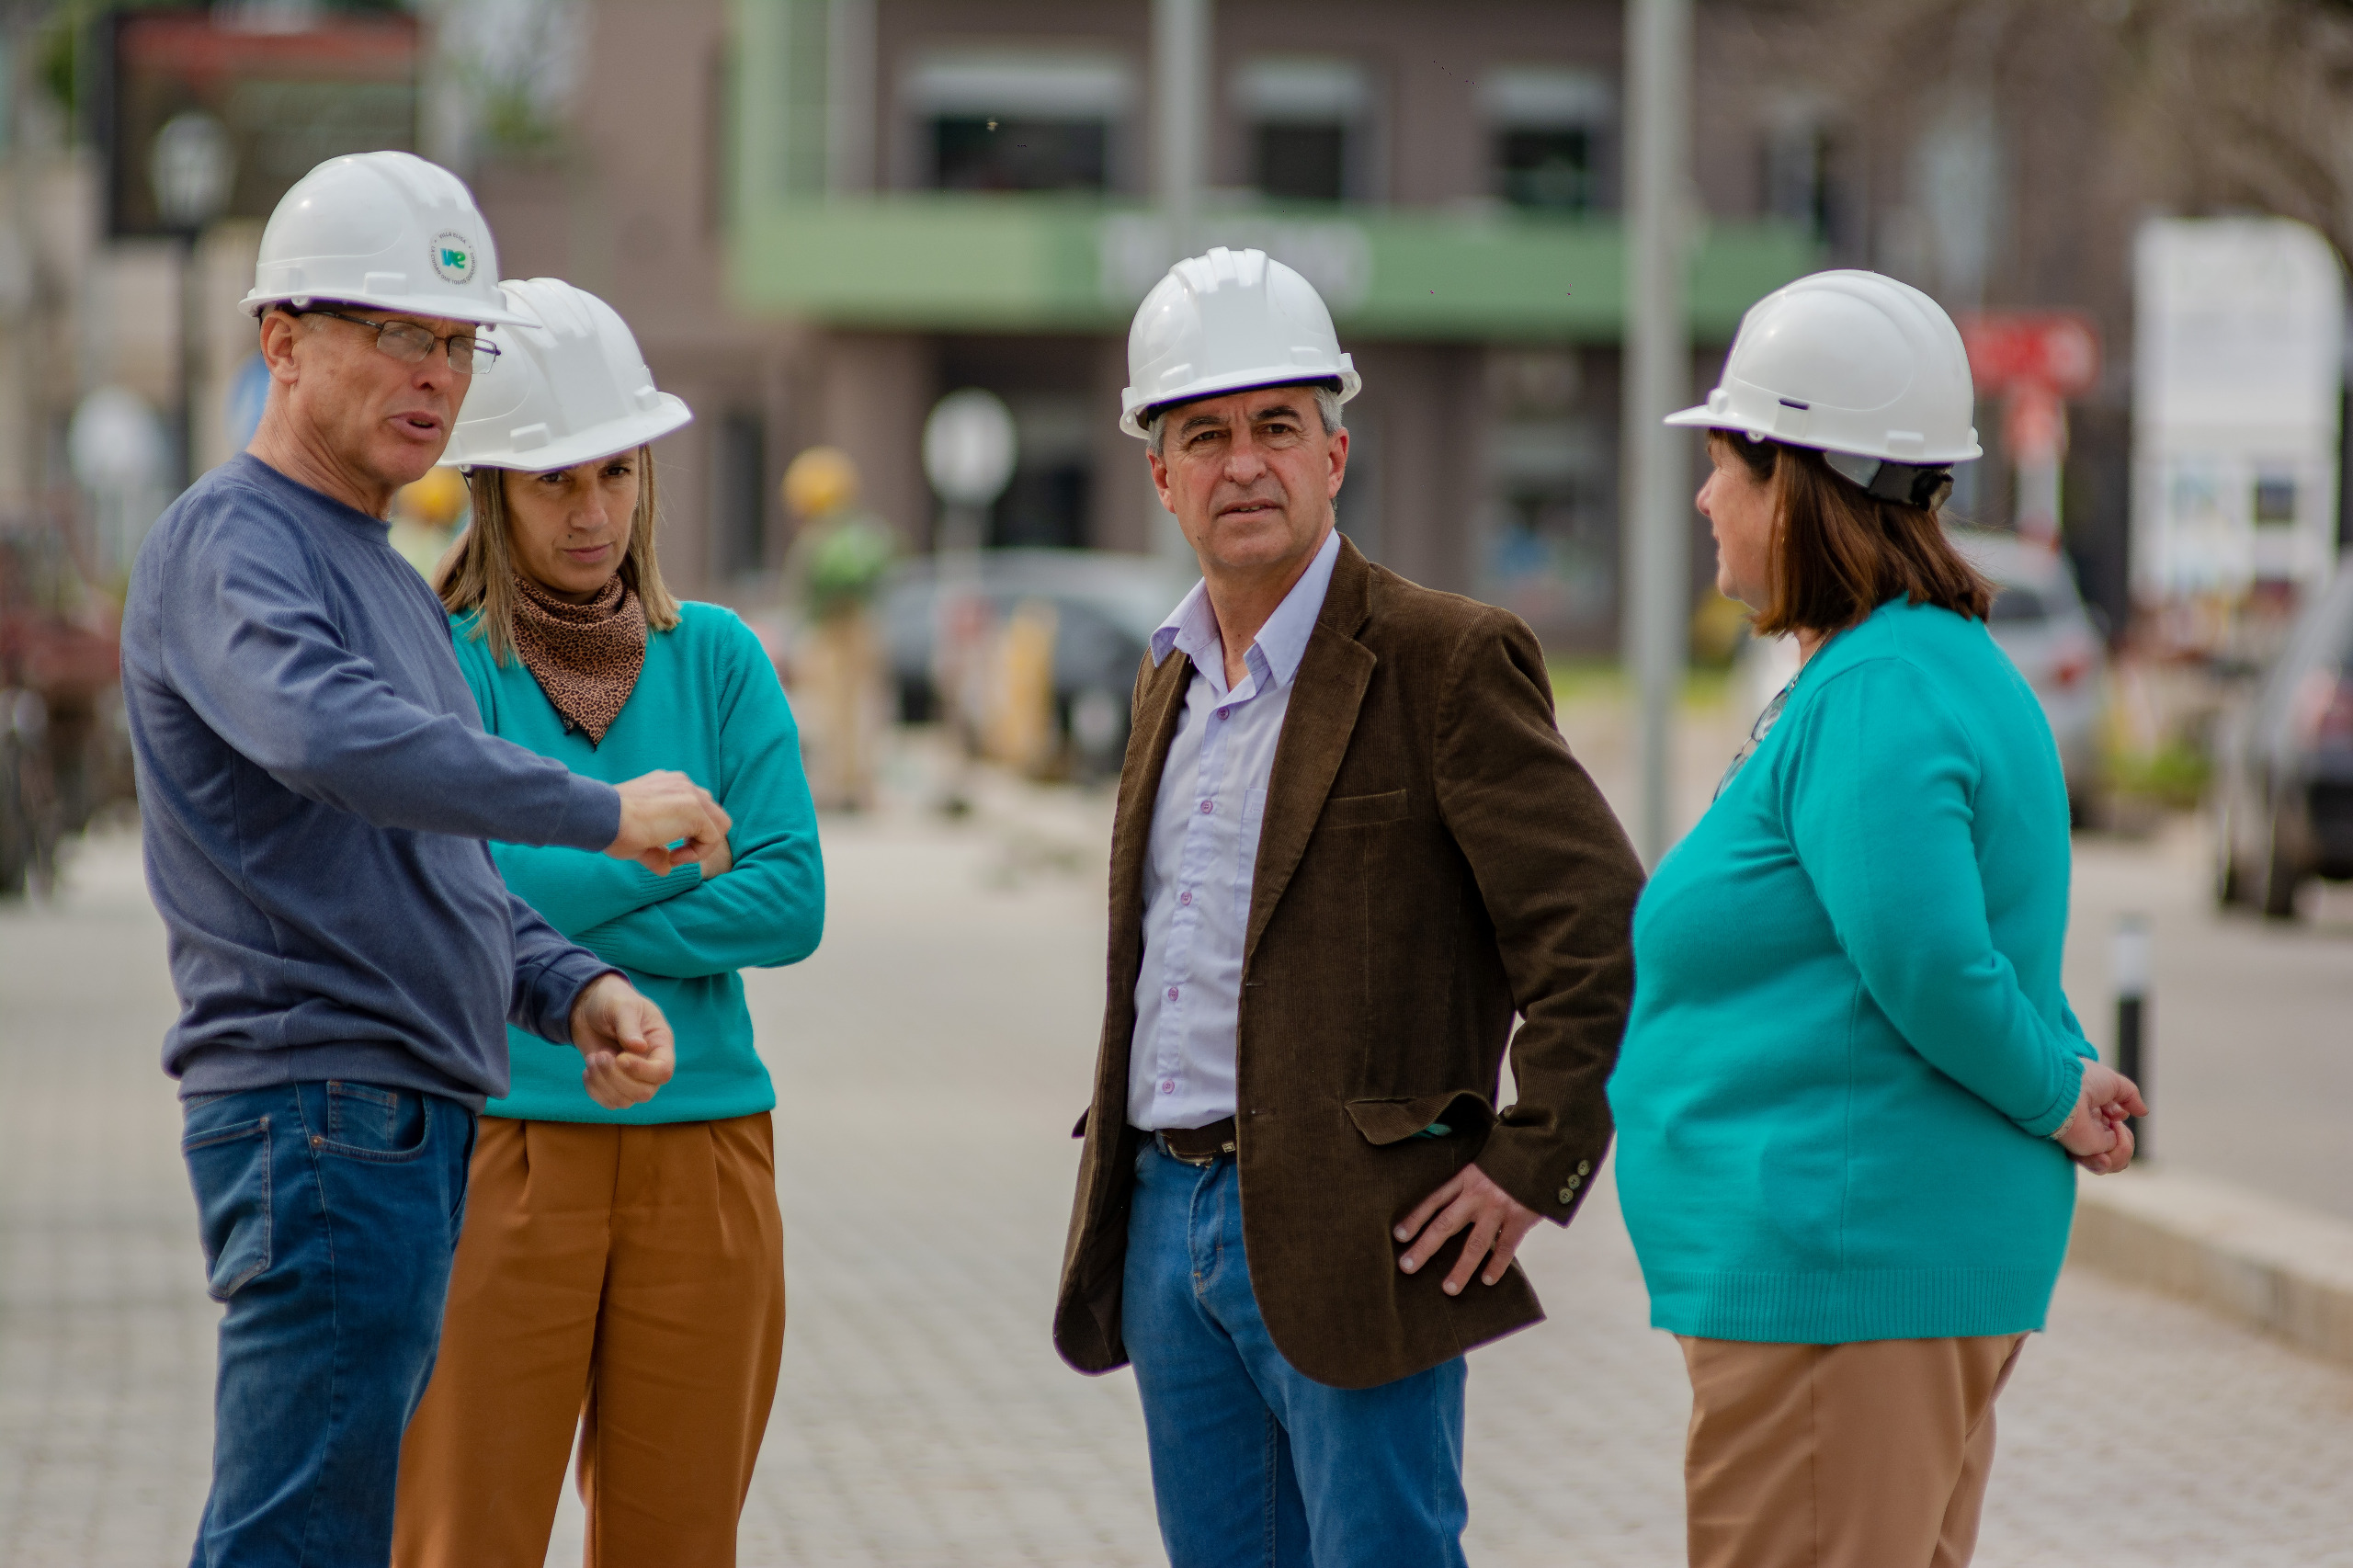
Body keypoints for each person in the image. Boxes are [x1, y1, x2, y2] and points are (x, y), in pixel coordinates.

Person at [119, 153, 730, 1568]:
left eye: (456, 345)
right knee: (301, 1535)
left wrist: (570, 986)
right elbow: (327, 735)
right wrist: (598, 808)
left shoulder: (384, 578)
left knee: (330, 1522)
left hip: (388, 1120)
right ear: (282, 340)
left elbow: (431, 849)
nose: (436, 377)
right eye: (399, 334)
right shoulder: (232, 544)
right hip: (318, 1109)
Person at [1052, 247, 1646, 1567]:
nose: (1243, 462)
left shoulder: (1445, 659)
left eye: (1277, 426)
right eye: (1204, 435)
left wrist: (1527, 1167)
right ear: (1160, 475)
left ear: (1336, 447)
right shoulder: (1168, 681)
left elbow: (1601, 934)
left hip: (1366, 1231)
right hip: (1163, 1222)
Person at [1606, 270, 2148, 1568]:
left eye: (1724, 461)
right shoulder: (1902, 670)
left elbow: (1931, 962)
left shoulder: (1878, 694)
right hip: (1852, 1285)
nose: (1703, 497)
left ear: (1794, 479)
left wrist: (2057, 1092)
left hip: (1841, 1285)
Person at [392, 277, 824, 1567]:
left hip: (709, 1151)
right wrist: (656, 846)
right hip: (498, 1145)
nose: (592, 511)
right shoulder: (440, 657)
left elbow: (793, 899)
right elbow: (447, 892)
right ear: (492, 489)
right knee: (462, 1539)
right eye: (553, 482)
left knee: (679, 1546)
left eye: (616, 474)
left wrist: (541, 882)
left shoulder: (724, 657)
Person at [780, 445, 894, 811]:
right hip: (863, 630)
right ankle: (859, 785)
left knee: (828, 714)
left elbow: (802, 595)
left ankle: (836, 787)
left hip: (828, 634)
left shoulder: (815, 542)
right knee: (862, 711)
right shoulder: (860, 534)